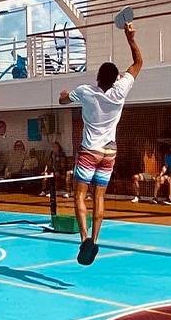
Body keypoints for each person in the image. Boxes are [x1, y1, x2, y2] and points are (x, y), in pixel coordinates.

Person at [58, 21, 142, 266]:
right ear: (116, 78)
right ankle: (95, 239)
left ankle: (84, 238)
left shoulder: (86, 91)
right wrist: (130, 38)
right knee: (100, 197)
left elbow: (64, 100)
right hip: (109, 152)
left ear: (97, 77)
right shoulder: (121, 90)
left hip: (89, 151)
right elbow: (138, 63)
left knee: (79, 196)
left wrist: (64, 93)